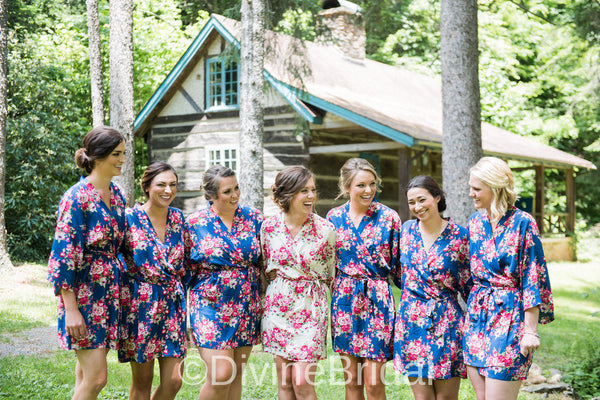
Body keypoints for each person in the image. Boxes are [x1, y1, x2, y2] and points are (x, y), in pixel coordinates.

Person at [464, 156, 554, 400]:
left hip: (509, 318)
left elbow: (532, 278)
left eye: (476, 189)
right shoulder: (475, 222)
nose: (471, 194)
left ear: (495, 188)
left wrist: (530, 331)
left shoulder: (523, 223)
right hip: (477, 317)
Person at [47, 126, 126, 399]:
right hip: (83, 295)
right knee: (97, 377)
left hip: (108, 294)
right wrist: (71, 309)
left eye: (123, 153)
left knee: (85, 376)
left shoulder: (117, 195)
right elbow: (63, 256)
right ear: (99, 156)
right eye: (116, 154)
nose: (122, 159)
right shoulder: (76, 197)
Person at [326, 158, 402, 400]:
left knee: (374, 383)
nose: (368, 190)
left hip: (378, 301)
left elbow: (399, 267)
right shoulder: (333, 217)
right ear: (347, 187)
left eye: (372, 184)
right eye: (361, 185)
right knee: (352, 382)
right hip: (345, 301)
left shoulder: (389, 217)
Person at [187, 164, 263, 400]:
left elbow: (265, 259)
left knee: (235, 375)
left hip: (246, 304)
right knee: (221, 373)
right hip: (209, 305)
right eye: (227, 191)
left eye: (236, 188)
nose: (235, 195)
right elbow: (184, 267)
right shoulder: (194, 223)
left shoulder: (254, 218)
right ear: (211, 195)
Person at [393, 175, 472, 400]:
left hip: (446, 322)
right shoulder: (406, 231)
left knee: (445, 398)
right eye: (412, 202)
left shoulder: (460, 236)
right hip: (412, 322)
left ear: (437, 197)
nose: (417, 207)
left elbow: (469, 284)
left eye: (422, 199)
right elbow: (399, 274)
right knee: (422, 397)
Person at [261, 165, 336, 400]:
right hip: (278, 309)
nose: (311, 196)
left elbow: (331, 273)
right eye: (304, 191)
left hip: (311, 309)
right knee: (285, 382)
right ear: (287, 194)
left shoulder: (326, 230)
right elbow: (266, 266)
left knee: (302, 383)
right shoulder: (269, 227)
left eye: (313, 189)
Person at [119, 162, 189, 400]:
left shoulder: (178, 218)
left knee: (174, 381)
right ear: (147, 186)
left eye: (173, 184)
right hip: (141, 306)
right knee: (143, 382)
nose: (168, 190)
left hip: (173, 305)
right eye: (161, 184)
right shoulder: (129, 218)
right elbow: (115, 258)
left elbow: (187, 261)